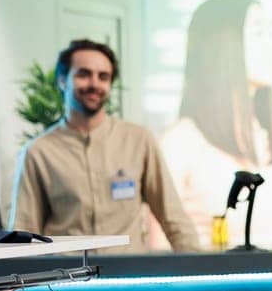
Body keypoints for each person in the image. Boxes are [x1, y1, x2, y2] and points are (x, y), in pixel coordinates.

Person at [12, 38, 200, 252]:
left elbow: (173, 217)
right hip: (68, 280)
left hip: (129, 277)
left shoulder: (139, 140)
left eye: (103, 77)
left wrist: (200, 272)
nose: (94, 84)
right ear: (63, 80)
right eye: (83, 74)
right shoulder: (38, 152)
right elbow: (24, 234)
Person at [158, 0, 272, 245]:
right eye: (259, 33)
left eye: (271, 33)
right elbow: (158, 247)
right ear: (223, 46)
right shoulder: (181, 142)